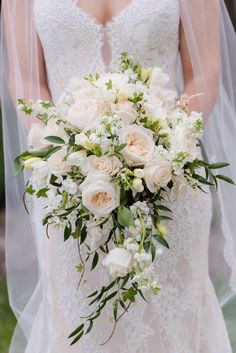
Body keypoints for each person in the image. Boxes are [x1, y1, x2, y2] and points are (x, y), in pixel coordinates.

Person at [1, 1, 236, 352]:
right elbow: (26, 80)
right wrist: (68, 153)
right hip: (67, 184)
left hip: (167, 182)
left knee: (171, 320)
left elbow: (204, 74)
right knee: (77, 315)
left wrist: (164, 147)